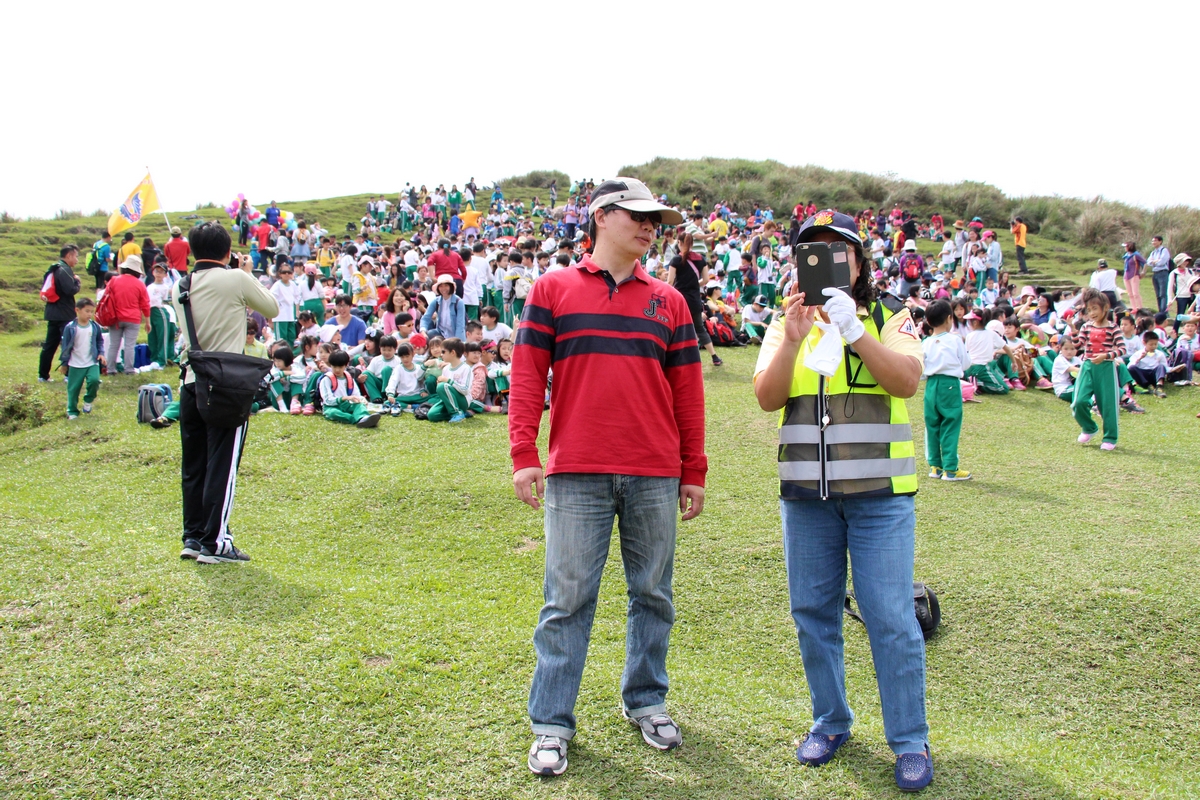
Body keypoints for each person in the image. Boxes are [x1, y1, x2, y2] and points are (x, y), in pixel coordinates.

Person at [510, 177, 704, 777]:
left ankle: (646, 700)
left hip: (654, 472)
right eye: (639, 216)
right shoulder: (552, 288)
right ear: (600, 216)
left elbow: (688, 391)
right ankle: (551, 723)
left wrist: (692, 468)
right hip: (576, 473)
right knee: (566, 600)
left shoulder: (668, 301)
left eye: (657, 220)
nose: (651, 227)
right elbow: (525, 375)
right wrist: (524, 453)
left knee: (653, 595)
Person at [752, 209, 932, 792]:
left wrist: (857, 331)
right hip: (808, 497)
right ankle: (831, 721)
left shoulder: (890, 314)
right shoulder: (788, 320)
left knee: (890, 618)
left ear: (859, 263)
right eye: (814, 251)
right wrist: (794, 339)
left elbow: (905, 382)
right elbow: (766, 396)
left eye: (840, 251)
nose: (828, 260)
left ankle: (909, 740)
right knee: (812, 612)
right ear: (799, 261)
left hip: (880, 497)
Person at [172, 222, 279, 565]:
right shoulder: (235, 277)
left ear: (191, 250)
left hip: (190, 382)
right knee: (223, 463)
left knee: (195, 464)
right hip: (225, 385)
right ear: (228, 248)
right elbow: (272, 308)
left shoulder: (181, 285)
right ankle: (216, 542)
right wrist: (244, 271)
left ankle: (193, 536)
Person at [922, 300, 972, 481]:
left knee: (932, 424)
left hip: (931, 385)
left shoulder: (925, 342)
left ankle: (935, 466)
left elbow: (920, 368)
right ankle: (950, 468)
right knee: (950, 423)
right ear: (949, 318)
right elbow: (966, 363)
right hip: (949, 384)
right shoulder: (955, 340)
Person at [1070, 288, 1125, 451]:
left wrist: (1106, 356)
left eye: (1095, 309)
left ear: (1105, 308)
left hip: (1106, 368)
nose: (1092, 313)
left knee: (1108, 405)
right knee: (1078, 402)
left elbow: (1122, 349)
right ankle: (1089, 427)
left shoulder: (1113, 328)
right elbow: (1078, 346)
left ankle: (1110, 438)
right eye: (1089, 310)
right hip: (1087, 366)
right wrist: (1073, 331)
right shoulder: (1086, 326)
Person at [38, 244, 82, 383]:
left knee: (49, 345)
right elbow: (69, 290)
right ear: (68, 255)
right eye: (76, 256)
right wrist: (77, 282)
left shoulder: (53, 268)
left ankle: (43, 375)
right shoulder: (64, 270)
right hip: (64, 313)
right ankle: (68, 375)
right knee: (68, 344)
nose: (77, 260)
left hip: (52, 312)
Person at [102, 255, 151, 374]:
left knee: (114, 344)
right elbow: (145, 304)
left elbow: (106, 297)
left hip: (115, 317)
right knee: (130, 345)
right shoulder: (139, 284)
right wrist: (147, 321)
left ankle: (111, 369)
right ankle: (129, 369)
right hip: (133, 318)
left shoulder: (113, 280)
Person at [58, 297, 105, 419]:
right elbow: (65, 346)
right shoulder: (70, 327)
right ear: (77, 310)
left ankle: (88, 400)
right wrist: (64, 363)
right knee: (73, 389)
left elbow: (100, 341)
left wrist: (101, 353)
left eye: (91, 311)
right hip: (75, 363)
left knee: (94, 381)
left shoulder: (95, 326)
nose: (90, 314)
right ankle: (72, 411)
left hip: (91, 361)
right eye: (87, 311)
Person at [318, 350, 380, 427]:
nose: (337, 370)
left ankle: (364, 418)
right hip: (331, 407)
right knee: (333, 413)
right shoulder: (326, 379)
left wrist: (360, 399)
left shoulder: (349, 378)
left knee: (359, 405)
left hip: (347, 404)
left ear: (346, 365)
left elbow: (356, 395)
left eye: (340, 367)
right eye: (334, 367)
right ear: (330, 365)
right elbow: (327, 400)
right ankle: (357, 419)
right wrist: (345, 398)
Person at [146, 263, 176, 366]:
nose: (158, 274)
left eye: (161, 272)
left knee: (162, 336)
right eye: (157, 271)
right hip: (150, 311)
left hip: (160, 311)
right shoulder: (149, 287)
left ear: (165, 274)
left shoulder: (165, 287)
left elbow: (164, 301)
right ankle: (154, 359)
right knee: (152, 336)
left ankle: (162, 360)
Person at [422, 274, 467, 340]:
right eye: (441, 286)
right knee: (430, 334)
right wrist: (423, 330)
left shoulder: (458, 302)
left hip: (454, 335)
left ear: (451, 287)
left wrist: (456, 341)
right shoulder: (436, 301)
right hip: (441, 333)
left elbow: (460, 325)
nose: (443, 289)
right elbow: (426, 317)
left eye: (446, 285)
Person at [1127, 331, 1169, 397]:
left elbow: (1165, 367)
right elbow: (1129, 366)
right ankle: (1148, 386)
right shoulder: (1138, 354)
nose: (1153, 347)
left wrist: (1173, 369)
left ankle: (1159, 386)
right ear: (1144, 343)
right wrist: (1140, 358)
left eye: (1155, 344)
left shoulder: (1160, 354)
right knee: (1132, 368)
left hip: (1154, 374)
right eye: (1151, 344)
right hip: (1142, 376)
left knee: (1161, 366)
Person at [1147, 235, 1172, 312]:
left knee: (1163, 294)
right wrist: (1155, 261)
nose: (1153, 242)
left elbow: (1162, 262)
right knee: (1158, 294)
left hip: (1163, 273)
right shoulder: (1153, 252)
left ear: (1160, 241)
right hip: (1155, 273)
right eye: (1152, 241)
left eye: (1155, 241)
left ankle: (1164, 311)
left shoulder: (1164, 250)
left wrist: (1154, 261)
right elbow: (1148, 262)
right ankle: (1160, 310)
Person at [1122, 241, 1147, 311]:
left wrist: (1143, 272)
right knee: (1130, 294)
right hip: (1126, 276)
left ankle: (1140, 308)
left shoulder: (1136, 255)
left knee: (1135, 293)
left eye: (1126, 247)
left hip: (1134, 275)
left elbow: (1145, 262)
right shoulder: (1126, 255)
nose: (1125, 248)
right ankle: (1134, 308)